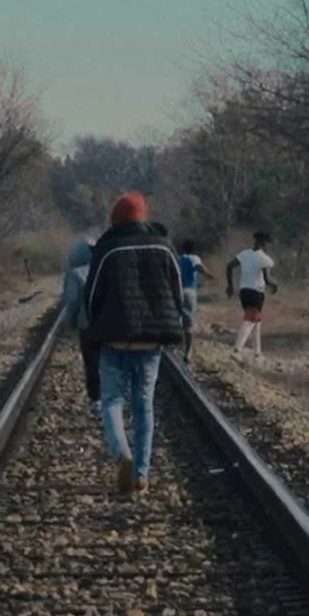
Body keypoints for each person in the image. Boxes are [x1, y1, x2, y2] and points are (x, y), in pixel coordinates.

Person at [83, 191, 186, 496]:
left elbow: (91, 297)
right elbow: (177, 293)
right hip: (150, 343)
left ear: (116, 220)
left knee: (112, 402)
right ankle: (141, 474)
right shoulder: (164, 247)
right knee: (144, 406)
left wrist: (97, 327)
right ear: (143, 216)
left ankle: (122, 455)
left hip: (114, 340)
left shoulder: (108, 249)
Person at [59, 230, 99, 419]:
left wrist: (71, 323)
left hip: (87, 324)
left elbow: (72, 301)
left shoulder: (74, 273)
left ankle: (96, 400)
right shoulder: (105, 267)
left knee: (91, 363)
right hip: (110, 323)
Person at [226, 232, 277, 358]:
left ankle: (257, 352)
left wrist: (230, 285)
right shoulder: (264, 258)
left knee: (257, 320)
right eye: (267, 244)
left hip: (244, 292)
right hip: (256, 292)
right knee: (250, 320)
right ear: (263, 243)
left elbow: (229, 266)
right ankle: (237, 349)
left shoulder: (244, 254)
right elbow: (266, 278)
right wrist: (274, 285)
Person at [176, 239, 214, 361]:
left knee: (177, 320)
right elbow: (198, 267)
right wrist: (209, 275)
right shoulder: (194, 258)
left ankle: (176, 348)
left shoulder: (178, 258)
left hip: (177, 291)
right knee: (189, 323)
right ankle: (188, 352)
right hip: (189, 291)